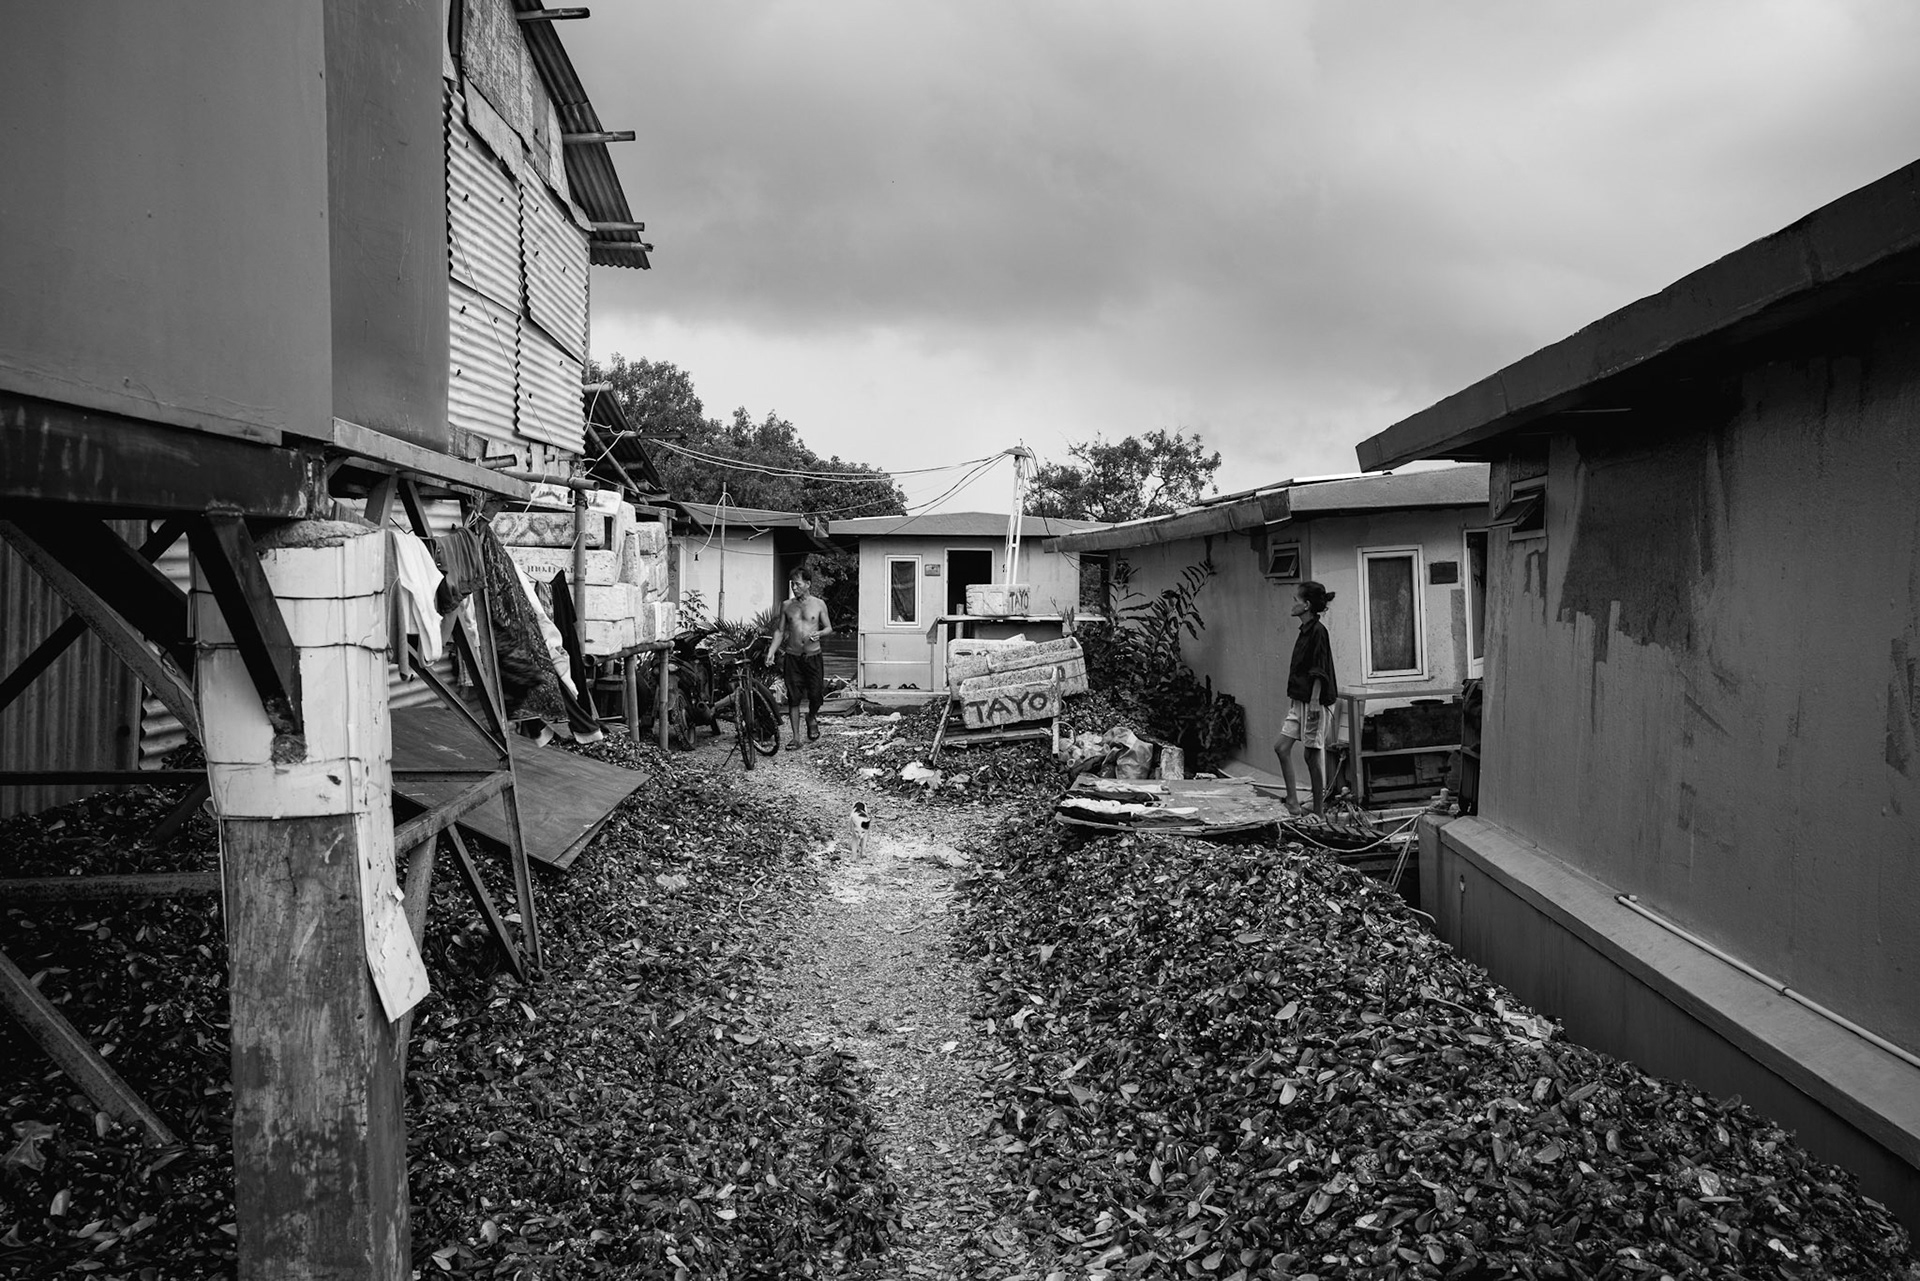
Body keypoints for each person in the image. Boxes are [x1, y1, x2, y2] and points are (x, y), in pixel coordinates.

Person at [1275, 580, 1337, 817]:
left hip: (1315, 702)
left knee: (1311, 755)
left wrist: (1314, 701)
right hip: (1299, 700)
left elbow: (1319, 669)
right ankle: (1292, 801)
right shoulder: (1304, 630)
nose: (1292, 604)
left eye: (1296, 600)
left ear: (1307, 605)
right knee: (1281, 747)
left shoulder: (1319, 632)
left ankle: (1318, 812)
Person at [766, 566, 832, 749]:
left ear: (808, 584)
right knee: (794, 697)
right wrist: (771, 651)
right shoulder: (787, 605)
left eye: (798, 584)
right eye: (792, 584)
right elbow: (780, 631)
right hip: (793, 657)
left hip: (813, 656)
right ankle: (796, 738)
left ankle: (811, 717)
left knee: (816, 695)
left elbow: (829, 628)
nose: (794, 588)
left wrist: (820, 633)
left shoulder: (819, 604)